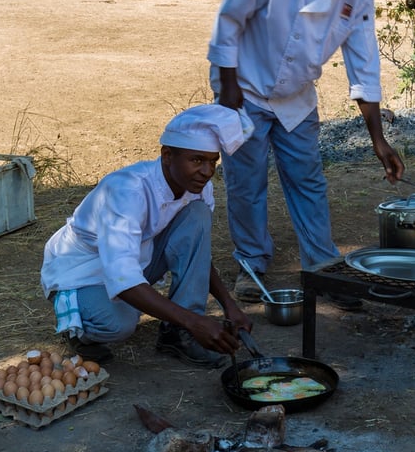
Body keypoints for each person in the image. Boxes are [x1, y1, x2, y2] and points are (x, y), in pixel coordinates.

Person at [208, 0, 405, 308]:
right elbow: (229, 20)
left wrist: (378, 140)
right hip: (243, 88)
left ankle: (323, 268)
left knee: (308, 180)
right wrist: (229, 93)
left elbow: (364, 65)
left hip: (296, 97)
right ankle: (251, 264)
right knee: (247, 184)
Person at [40, 104, 255, 370]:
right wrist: (194, 321)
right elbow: (125, 279)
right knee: (118, 325)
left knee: (198, 214)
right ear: (167, 155)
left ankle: (177, 335)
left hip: (136, 255)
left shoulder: (199, 187)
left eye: (213, 161)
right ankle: (82, 329)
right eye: (197, 160)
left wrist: (229, 306)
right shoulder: (127, 190)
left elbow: (198, 254)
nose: (207, 171)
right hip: (83, 268)